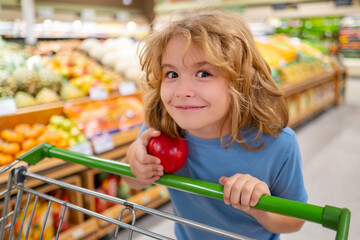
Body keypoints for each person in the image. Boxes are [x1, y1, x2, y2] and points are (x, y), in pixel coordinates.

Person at [123, 9, 307, 240]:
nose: (182, 92)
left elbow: (295, 221)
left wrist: (259, 207)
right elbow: (131, 181)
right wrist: (134, 160)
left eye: (203, 73)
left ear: (242, 81)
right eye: (172, 74)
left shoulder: (276, 143)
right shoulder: (161, 129)